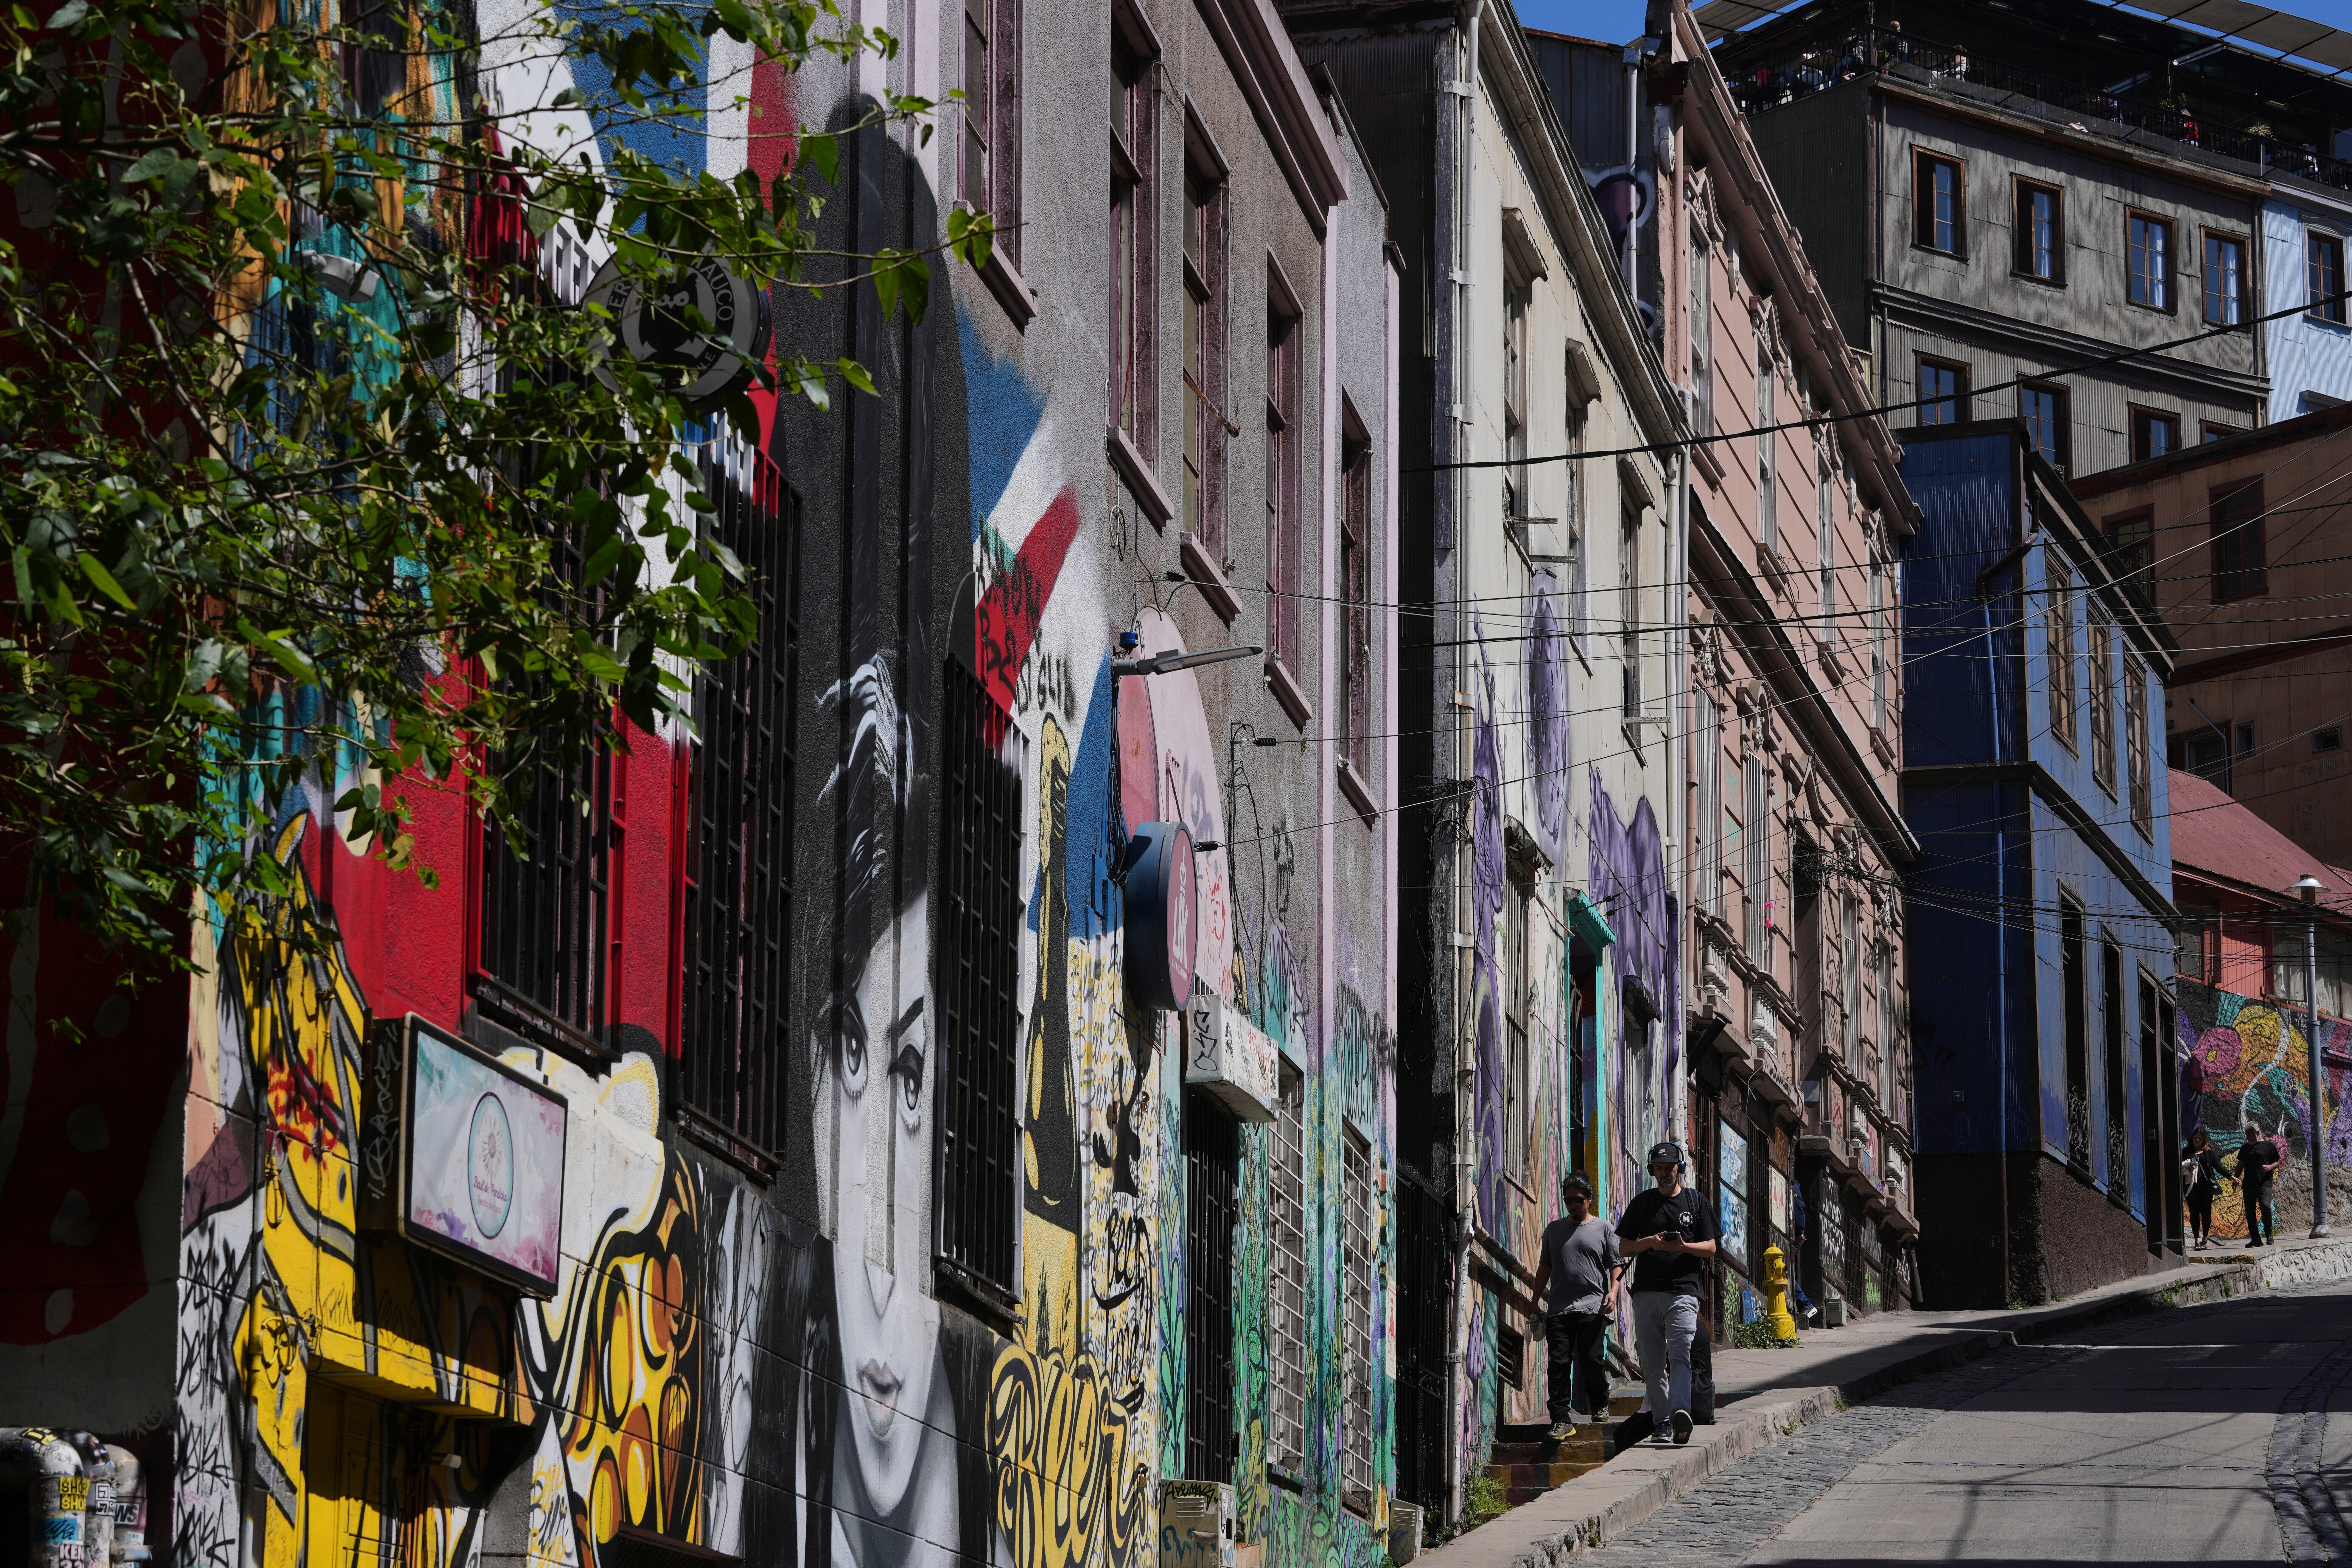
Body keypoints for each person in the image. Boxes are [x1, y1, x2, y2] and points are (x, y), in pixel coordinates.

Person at [1615, 1141, 1718, 1447]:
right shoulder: (1643, 1203)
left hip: (1684, 1292)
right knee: (1652, 1362)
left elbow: (1712, 1247)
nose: (1665, 1173)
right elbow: (1623, 1246)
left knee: (1681, 1355)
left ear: (1679, 1167)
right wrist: (1650, 1241)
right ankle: (1661, 1422)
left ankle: (1679, 1415)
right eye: (1659, 1168)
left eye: (1670, 1167)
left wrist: (1683, 1246)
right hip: (1647, 1292)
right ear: (1653, 1170)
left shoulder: (1696, 1201)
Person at [1529, 1172, 1621, 1443]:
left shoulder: (1603, 1229)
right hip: (1559, 1309)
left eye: (1578, 1200)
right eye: (1568, 1200)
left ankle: (1600, 1404)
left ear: (1590, 1199)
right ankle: (1561, 1419)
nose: (1573, 1205)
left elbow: (1616, 1266)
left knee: (1592, 1360)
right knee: (1558, 1364)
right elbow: (1544, 1267)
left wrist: (1613, 1292)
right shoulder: (1554, 1230)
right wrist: (1535, 1301)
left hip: (1593, 1308)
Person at [2183, 1127, 2228, 1249]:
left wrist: (2231, 1177)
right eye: (2196, 1137)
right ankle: (2197, 1240)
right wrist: (2188, 1169)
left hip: (2207, 1188)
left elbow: (2219, 1168)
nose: (2197, 1140)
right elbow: (2180, 1169)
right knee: (2194, 1213)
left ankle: (2205, 1238)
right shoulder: (2185, 1152)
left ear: (2204, 1140)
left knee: (2206, 1213)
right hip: (2192, 1187)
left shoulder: (2209, 1153)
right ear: (2192, 1138)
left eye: (2200, 1138)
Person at [2240, 1124, 2282, 1247]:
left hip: (2264, 1183)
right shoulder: (2245, 1148)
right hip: (2248, 1184)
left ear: (2258, 1133)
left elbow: (2278, 1161)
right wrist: (2236, 1178)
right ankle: (2256, 1239)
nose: (2248, 1137)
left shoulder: (2269, 1145)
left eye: (2250, 1135)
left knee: (2265, 1206)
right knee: (2250, 1212)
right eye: (2246, 1135)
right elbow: (2241, 1164)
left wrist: (2270, 1167)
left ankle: (2269, 1234)